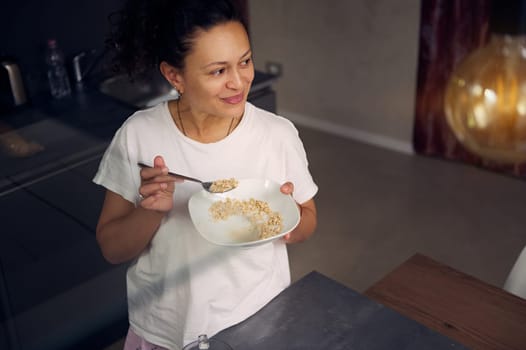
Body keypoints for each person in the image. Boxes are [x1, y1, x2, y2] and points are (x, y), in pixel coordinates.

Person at [93, 0, 318, 349]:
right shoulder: (139, 135)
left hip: (258, 321)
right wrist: (151, 210)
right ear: (174, 76)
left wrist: (285, 217)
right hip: (165, 329)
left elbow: (308, 221)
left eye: (245, 61)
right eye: (218, 71)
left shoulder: (277, 134)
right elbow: (112, 248)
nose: (239, 81)